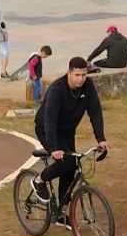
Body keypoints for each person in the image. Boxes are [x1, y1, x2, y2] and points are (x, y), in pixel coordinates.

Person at [31, 58, 110, 218]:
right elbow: (50, 119)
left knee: (72, 167)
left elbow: (95, 112)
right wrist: (54, 148)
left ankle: (61, 212)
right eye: (77, 75)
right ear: (69, 73)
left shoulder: (88, 87)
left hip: (67, 131)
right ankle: (39, 180)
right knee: (65, 162)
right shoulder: (57, 89)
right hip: (47, 129)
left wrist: (101, 138)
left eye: (83, 75)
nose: (80, 79)